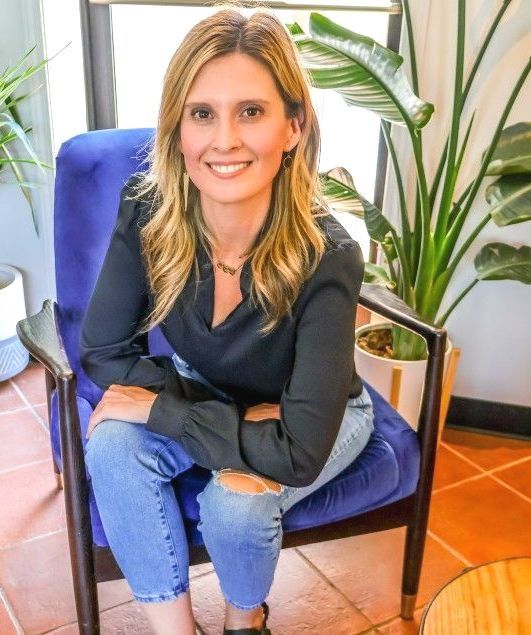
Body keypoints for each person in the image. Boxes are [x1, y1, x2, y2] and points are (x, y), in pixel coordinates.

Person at [80, 6, 374, 634]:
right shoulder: (148, 211)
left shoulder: (330, 256)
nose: (224, 141)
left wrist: (166, 410)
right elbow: (102, 350)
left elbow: (296, 452)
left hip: (318, 419)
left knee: (237, 507)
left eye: (252, 112)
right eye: (202, 113)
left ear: (293, 127)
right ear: (178, 128)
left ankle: (246, 623)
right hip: (208, 388)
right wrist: (227, 417)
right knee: (110, 445)